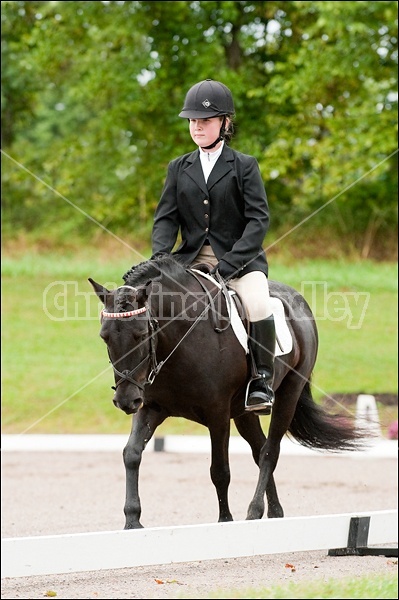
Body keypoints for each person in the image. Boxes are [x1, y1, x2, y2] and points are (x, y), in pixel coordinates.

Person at [151, 79, 275, 414]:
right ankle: (153, 378)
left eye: (204, 120)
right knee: (153, 302)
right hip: (189, 259)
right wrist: (161, 258)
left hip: (240, 261)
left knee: (258, 302)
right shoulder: (178, 167)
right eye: (193, 121)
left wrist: (231, 264)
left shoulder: (244, 166)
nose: (197, 126)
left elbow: (258, 221)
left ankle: (261, 381)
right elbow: (166, 219)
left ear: (225, 123)